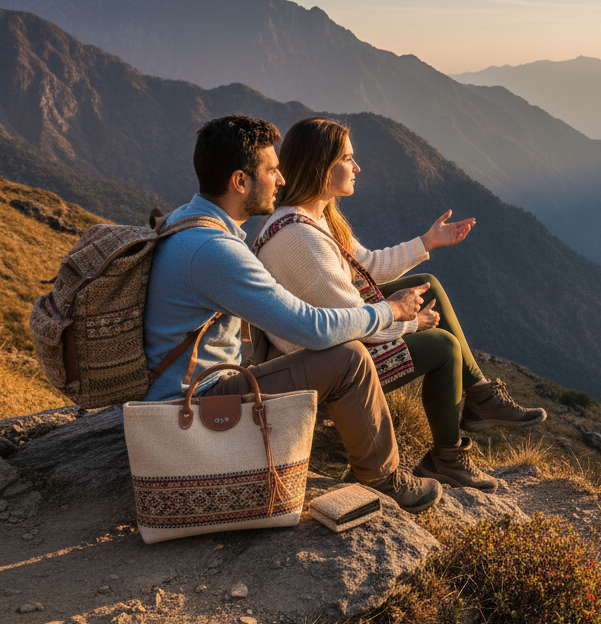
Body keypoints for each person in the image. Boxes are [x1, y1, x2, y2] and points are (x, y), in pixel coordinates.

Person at [142, 114, 442, 513]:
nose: (281, 180)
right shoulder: (213, 250)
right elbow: (312, 329)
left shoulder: (186, 219)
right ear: (240, 182)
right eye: (271, 170)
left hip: (188, 392)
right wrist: (391, 311)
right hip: (195, 407)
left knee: (337, 351)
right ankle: (383, 479)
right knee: (347, 358)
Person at [251, 116, 546, 494]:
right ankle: (447, 458)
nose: (357, 167)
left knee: (430, 287)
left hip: (329, 341)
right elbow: (351, 324)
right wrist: (411, 322)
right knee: (442, 347)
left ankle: (480, 394)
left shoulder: (312, 217)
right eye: (347, 159)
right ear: (323, 168)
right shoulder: (302, 240)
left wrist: (427, 242)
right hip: (323, 360)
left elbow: (367, 265)